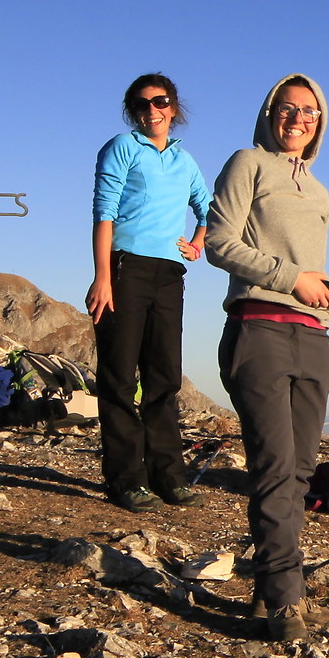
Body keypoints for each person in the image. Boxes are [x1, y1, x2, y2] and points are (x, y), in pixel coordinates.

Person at [204, 73, 329, 644]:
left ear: (321, 123)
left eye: (310, 112)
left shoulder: (319, 192)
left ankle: (272, 589)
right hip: (258, 329)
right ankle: (284, 599)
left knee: (298, 471)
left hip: (313, 336)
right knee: (273, 466)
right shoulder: (248, 163)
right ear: (270, 111)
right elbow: (220, 243)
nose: (299, 119)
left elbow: (304, 269)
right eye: (288, 109)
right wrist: (294, 279)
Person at [87, 73, 215, 513]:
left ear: (173, 108)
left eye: (159, 102)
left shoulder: (185, 161)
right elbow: (103, 213)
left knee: (164, 378)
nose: (151, 111)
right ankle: (126, 480)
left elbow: (208, 205)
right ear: (133, 111)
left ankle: (168, 477)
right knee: (120, 378)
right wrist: (102, 276)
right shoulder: (122, 147)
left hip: (169, 274)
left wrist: (198, 240)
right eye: (141, 105)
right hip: (125, 268)